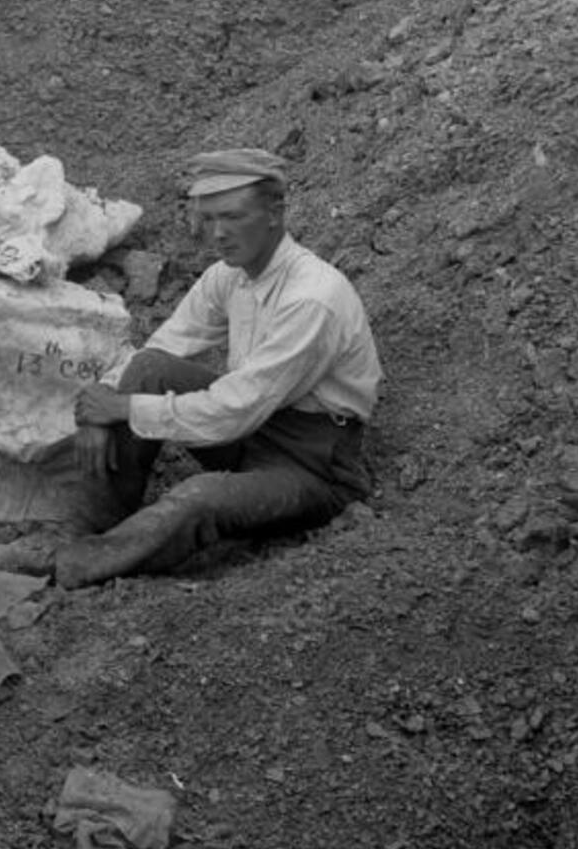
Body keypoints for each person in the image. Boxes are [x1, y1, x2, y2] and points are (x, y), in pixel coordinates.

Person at [51, 148, 381, 589]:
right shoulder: (230, 275)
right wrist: (101, 404)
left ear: (274, 213)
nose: (218, 233)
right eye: (208, 220)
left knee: (198, 497)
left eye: (232, 216)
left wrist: (125, 409)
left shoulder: (312, 299)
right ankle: (85, 529)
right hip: (253, 432)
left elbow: (236, 410)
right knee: (149, 368)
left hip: (312, 467)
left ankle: (74, 565)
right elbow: (165, 345)